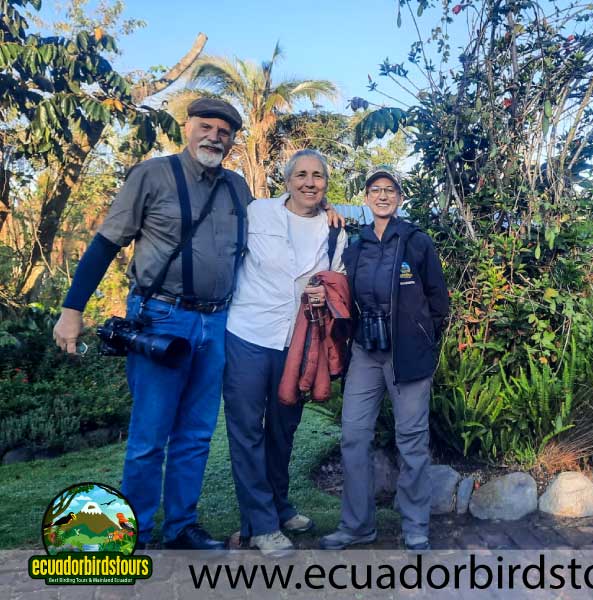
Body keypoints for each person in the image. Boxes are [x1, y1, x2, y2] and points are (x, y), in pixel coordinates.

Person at [51, 100, 340, 550]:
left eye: (224, 132)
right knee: (150, 435)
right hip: (162, 316)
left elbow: (291, 213)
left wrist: (335, 211)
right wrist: (73, 308)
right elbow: (107, 241)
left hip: (216, 321)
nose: (214, 137)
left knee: (196, 435)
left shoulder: (237, 189)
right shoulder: (153, 175)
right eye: (205, 127)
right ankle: (135, 532)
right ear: (188, 128)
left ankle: (181, 527)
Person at [223, 149, 347, 556]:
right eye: (302, 175)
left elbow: (340, 281)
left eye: (318, 176)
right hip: (248, 334)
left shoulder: (334, 232)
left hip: (297, 343)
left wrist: (324, 290)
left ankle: (277, 506)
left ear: (326, 184)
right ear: (287, 179)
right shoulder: (257, 212)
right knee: (246, 431)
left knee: (283, 428)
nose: (309, 183)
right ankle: (261, 525)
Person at [320, 167, 449, 551]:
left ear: (399, 198)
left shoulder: (416, 242)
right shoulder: (355, 244)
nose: (382, 195)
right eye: (375, 189)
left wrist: (422, 339)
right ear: (365, 196)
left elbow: (438, 301)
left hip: (407, 355)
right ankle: (358, 525)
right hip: (365, 353)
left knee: (411, 440)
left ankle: (415, 527)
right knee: (353, 437)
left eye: (389, 190)